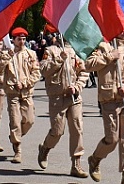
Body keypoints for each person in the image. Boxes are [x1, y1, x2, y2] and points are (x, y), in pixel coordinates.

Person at [85, 29, 124, 184]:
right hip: (109, 99)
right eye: (120, 28)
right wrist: (108, 57)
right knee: (112, 139)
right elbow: (88, 65)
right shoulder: (103, 47)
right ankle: (95, 158)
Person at [36, 33, 88, 176]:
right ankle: (45, 148)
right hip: (57, 97)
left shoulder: (77, 50)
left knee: (77, 128)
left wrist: (77, 87)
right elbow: (44, 70)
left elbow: (83, 72)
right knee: (57, 131)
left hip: (73, 97)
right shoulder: (50, 50)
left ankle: (76, 164)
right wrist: (59, 59)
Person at [0, 27, 41, 165]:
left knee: (29, 120)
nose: (21, 42)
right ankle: (17, 150)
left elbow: (36, 73)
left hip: (26, 92)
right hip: (12, 93)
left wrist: (25, 83)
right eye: (19, 39)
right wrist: (6, 57)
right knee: (15, 121)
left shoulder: (31, 54)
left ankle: (15, 136)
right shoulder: (7, 54)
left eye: (23, 39)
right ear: (13, 40)